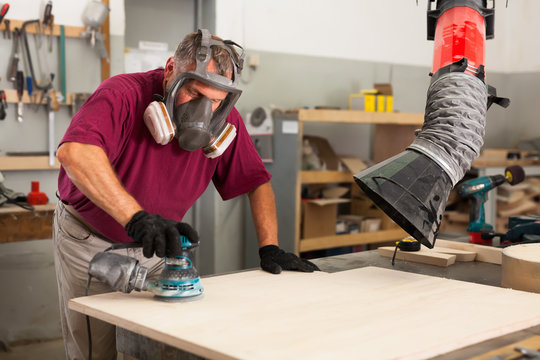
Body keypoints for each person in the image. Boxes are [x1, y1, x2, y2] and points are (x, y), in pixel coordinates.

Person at [53, 29, 319, 359]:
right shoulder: (122, 93)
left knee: (160, 343)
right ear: (170, 70)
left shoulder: (225, 122)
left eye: (216, 102)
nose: (203, 113)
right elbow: (76, 153)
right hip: (91, 242)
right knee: (95, 350)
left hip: (157, 244)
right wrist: (136, 218)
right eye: (193, 94)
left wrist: (270, 246)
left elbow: (256, 182)